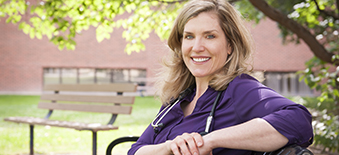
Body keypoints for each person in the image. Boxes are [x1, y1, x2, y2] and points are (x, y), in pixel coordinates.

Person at [128, 0, 314, 154]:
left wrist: (209, 140)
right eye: (189, 36)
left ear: (230, 46)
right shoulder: (179, 98)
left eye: (210, 36)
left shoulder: (239, 89)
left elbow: (298, 120)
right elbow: (135, 150)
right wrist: (170, 147)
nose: (197, 47)